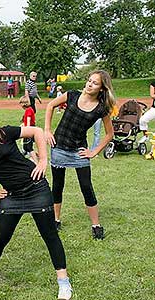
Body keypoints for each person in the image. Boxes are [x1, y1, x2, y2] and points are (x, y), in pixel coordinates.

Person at [0, 104, 72, 300]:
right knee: (0, 237)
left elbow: (37, 131)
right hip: (12, 196)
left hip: (36, 188)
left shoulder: (5, 133)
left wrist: (42, 161)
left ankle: (63, 282)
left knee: (50, 235)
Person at [44, 70, 115, 239]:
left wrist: (94, 151)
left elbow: (109, 134)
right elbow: (50, 105)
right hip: (59, 147)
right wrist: (47, 130)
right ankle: (56, 220)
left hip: (79, 152)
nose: (90, 84)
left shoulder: (101, 108)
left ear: (102, 88)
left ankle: (96, 225)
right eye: (89, 81)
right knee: (58, 185)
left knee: (86, 187)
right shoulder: (72, 95)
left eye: (95, 83)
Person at [19, 96, 38, 162]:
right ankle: (35, 155)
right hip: (29, 129)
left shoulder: (28, 110)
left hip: (29, 130)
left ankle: (36, 161)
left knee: (29, 147)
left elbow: (28, 120)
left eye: (20, 103)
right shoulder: (29, 110)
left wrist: (27, 130)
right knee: (26, 146)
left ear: (24, 103)